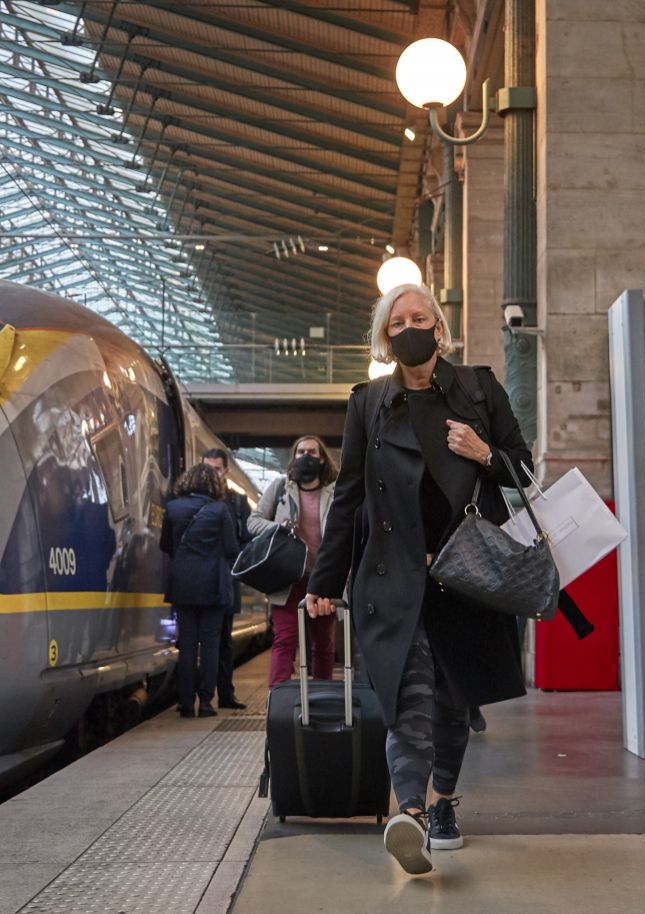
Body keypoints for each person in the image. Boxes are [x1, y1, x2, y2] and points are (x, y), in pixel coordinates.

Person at [305, 283, 531, 875]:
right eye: (398, 320)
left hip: (467, 573)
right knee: (411, 695)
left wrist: (483, 452)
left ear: (439, 327)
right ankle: (408, 810)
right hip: (393, 575)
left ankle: (443, 803)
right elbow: (349, 496)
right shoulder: (368, 404)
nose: (410, 327)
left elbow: (523, 468)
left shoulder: (478, 389)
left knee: (453, 700)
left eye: (420, 317)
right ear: (386, 337)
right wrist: (324, 581)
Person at [247, 436, 338, 686]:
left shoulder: (335, 493)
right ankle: (278, 703)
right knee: (285, 639)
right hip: (286, 578)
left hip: (322, 579)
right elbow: (253, 521)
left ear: (322, 459)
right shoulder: (279, 488)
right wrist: (279, 528)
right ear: (293, 457)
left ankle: (322, 696)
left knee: (323, 643)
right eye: (300, 452)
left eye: (312, 451)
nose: (305, 456)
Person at [161, 463, 240, 720]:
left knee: (186, 645)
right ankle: (206, 702)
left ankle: (185, 704)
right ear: (213, 485)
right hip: (213, 586)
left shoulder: (172, 509)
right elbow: (230, 549)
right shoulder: (220, 510)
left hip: (183, 584)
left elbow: (167, 545)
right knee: (210, 645)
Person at [200, 447, 249, 710]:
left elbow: (246, 541)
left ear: (225, 471)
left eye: (217, 470)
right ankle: (198, 695)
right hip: (201, 581)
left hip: (226, 581)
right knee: (201, 640)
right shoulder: (193, 498)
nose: (212, 475)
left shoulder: (238, 503)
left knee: (224, 641)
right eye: (207, 469)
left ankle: (226, 694)